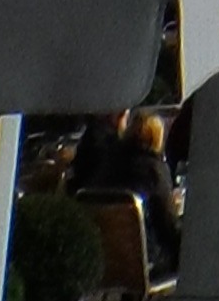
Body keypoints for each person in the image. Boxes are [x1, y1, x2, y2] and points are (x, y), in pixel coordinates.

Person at [70, 109, 181, 275]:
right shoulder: (153, 171)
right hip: (143, 260)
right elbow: (168, 226)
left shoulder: (108, 162)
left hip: (105, 258)